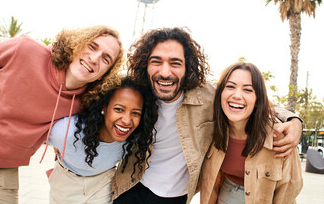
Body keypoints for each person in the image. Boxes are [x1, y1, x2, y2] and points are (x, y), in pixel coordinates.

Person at [112, 27, 303, 204]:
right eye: (156, 62)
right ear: (145, 65)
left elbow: (255, 101)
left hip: (176, 198)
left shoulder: (208, 94)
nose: (165, 72)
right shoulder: (138, 94)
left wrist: (293, 120)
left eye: (175, 63)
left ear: (188, 67)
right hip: (131, 187)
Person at [0, 25, 124, 204]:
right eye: (92, 46)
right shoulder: (24, 49)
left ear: (106, 73)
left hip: (1, 170)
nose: (94, 59)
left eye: (106, 59)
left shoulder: (85, 103)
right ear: (78, 42)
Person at [199, 62, 303, 204]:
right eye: (230, 86)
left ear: (257, 99)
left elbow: (288, 191)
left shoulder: (280, 136)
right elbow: (212, 186)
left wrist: (295, 120)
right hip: (227, 194)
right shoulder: (213, 128)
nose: (237, 95)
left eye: (247, 90)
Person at [47, 76, 158, 204]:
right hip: (66, 182)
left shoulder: (134, 137)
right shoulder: (68, 132)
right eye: (119, 109)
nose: (127, 121)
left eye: (136, 113)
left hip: (103, 182)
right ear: (103, 107)